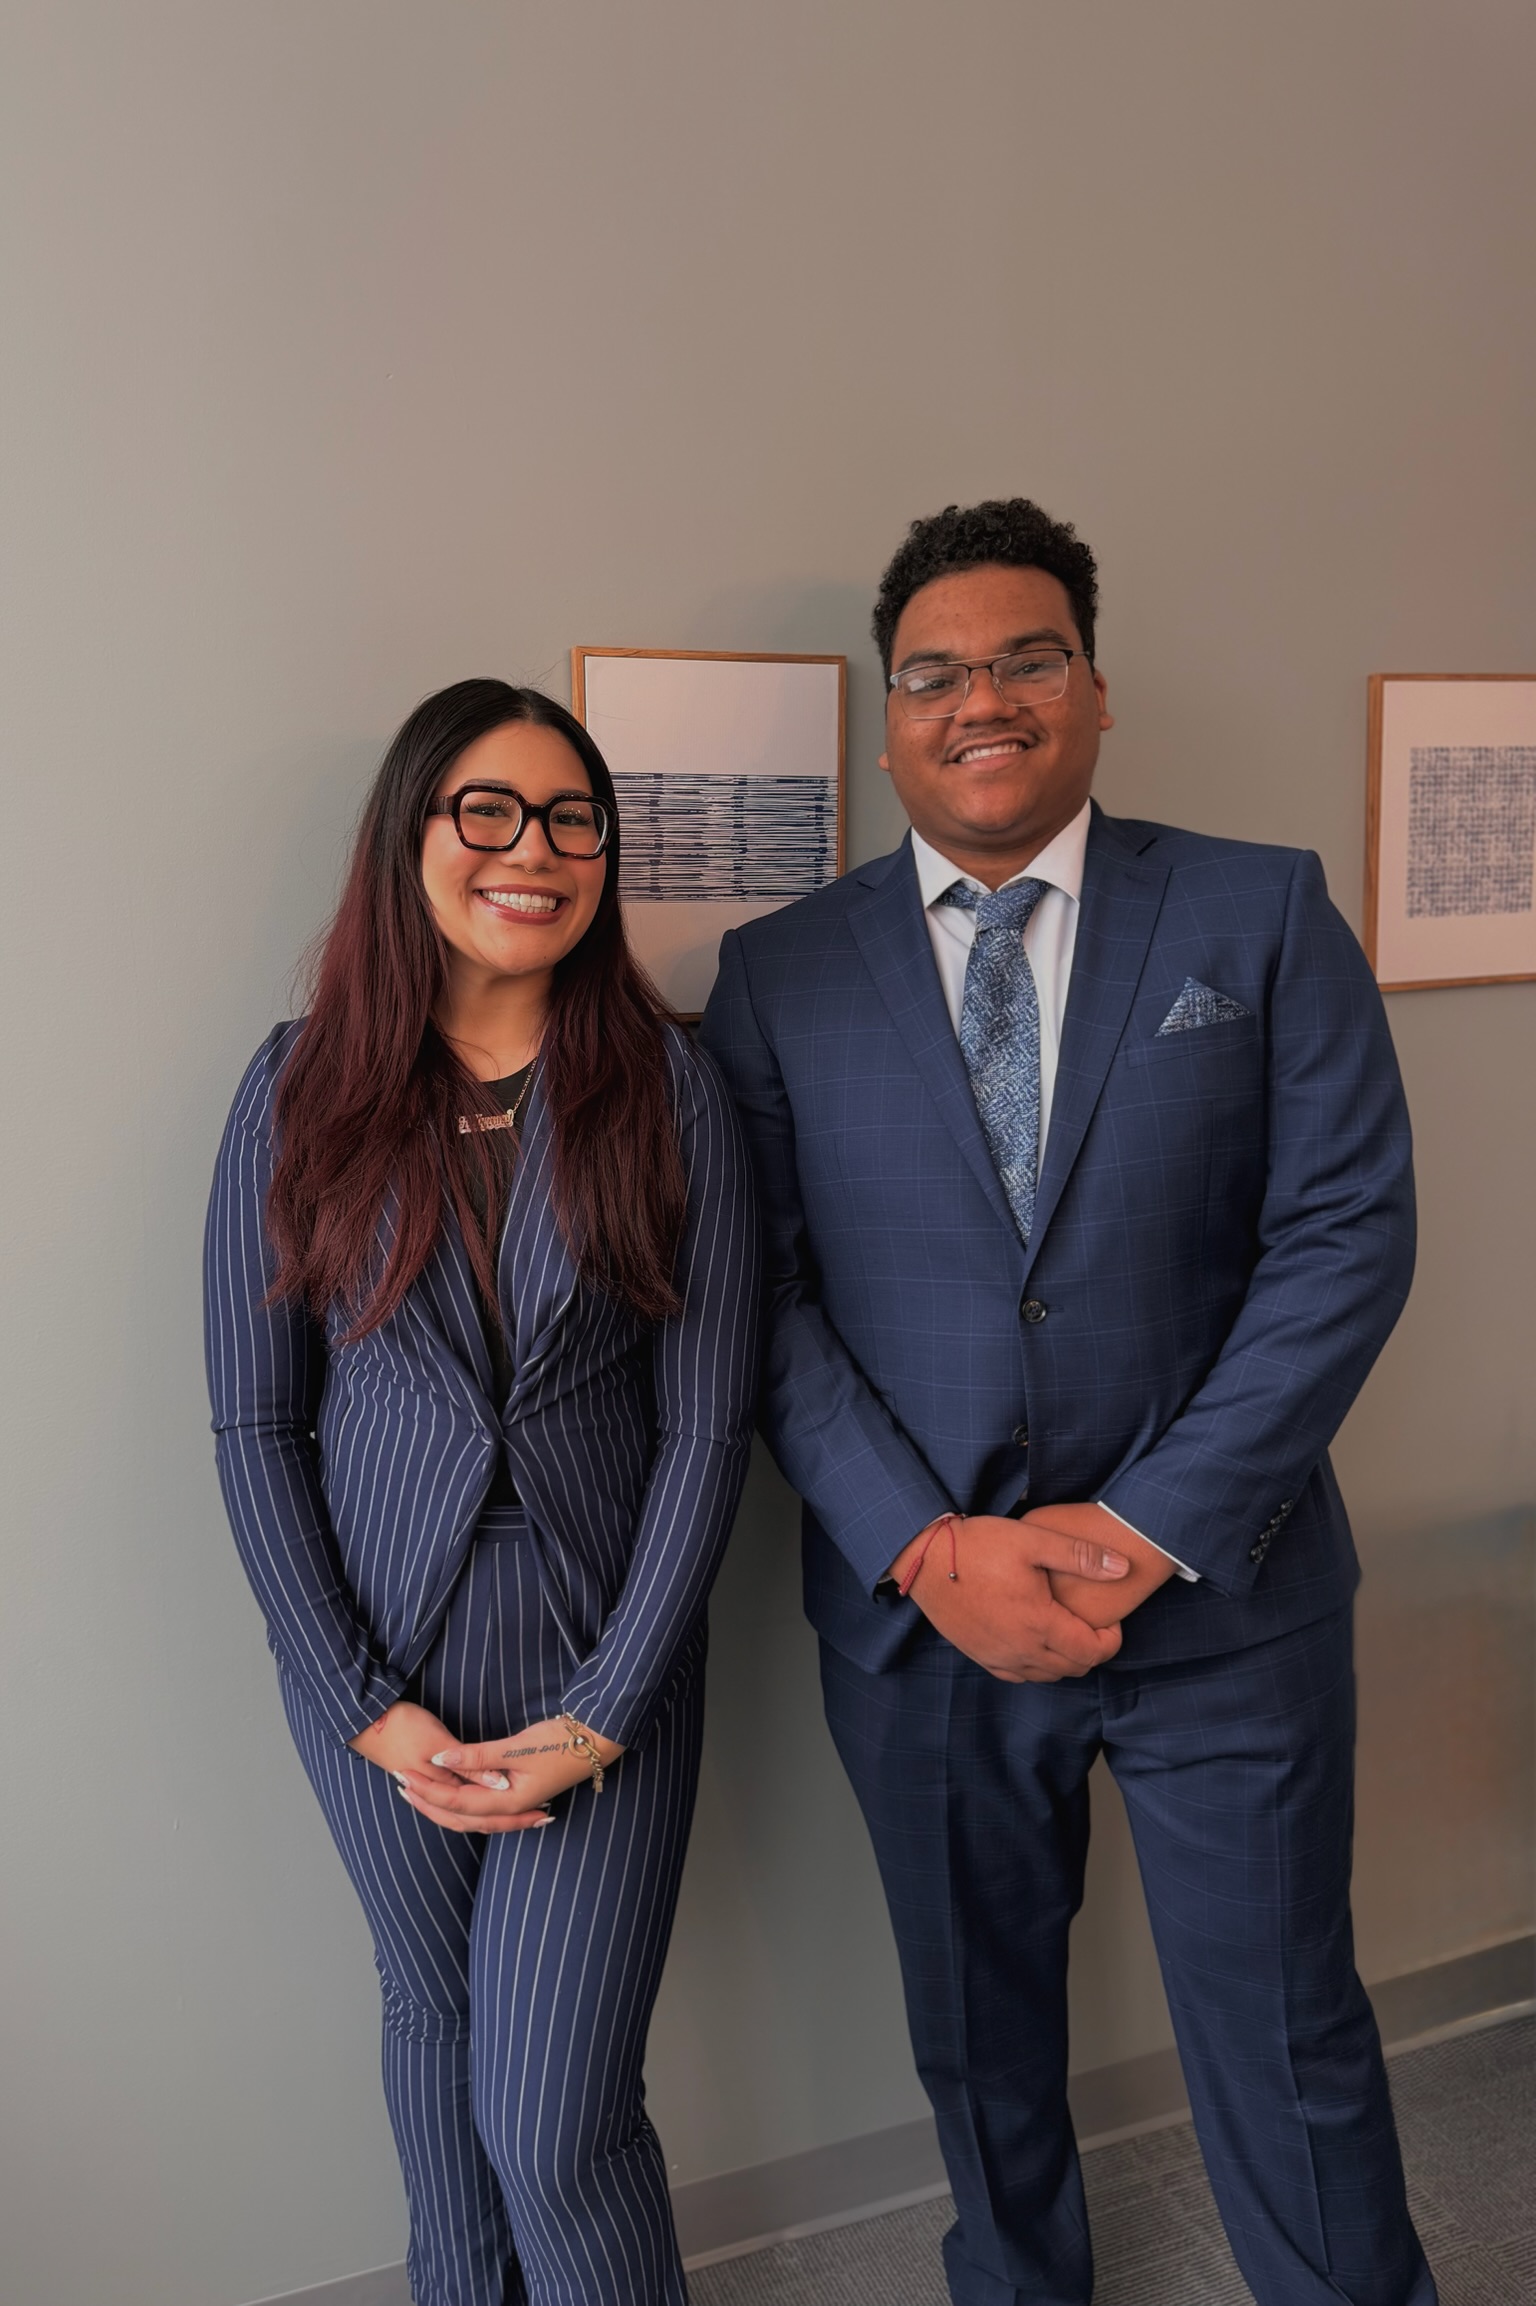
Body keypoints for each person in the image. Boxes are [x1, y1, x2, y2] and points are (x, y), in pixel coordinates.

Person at [699, 500, 1435, 2306]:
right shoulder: (779, 973)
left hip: (1228, 1605)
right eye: (937, 673)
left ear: (1096, 690)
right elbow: (759, 1296)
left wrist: (1141, 1525)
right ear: (889, 725)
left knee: (1289, 2039)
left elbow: (1347, 1234)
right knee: (982, 2053)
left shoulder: (1256, 909)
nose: (985, 699)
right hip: (925, 1623)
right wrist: (926, 1542)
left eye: (1029, 658)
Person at [205, 679, 760, 2306]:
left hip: (605, 1671)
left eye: (573, 818)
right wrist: (361, 1698)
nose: (537, 850)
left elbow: (709, 1426)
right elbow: (254, 1429)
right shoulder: (295, 1085)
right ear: (414, 837)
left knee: (553, 2119)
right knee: (434, 2044)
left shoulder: (671, 1088)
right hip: (372, 1677)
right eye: (491, 812)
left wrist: (605, 1706)